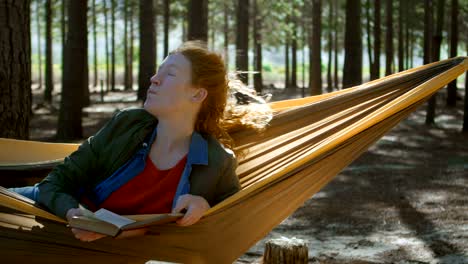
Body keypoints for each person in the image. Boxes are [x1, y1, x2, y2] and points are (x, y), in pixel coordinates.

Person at [10, 41, 271, 242]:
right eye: (158, 72)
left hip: (107, 250)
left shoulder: (217, 162)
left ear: (197, 94)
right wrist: (74, 213)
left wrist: (205, 205)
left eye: (169, 74)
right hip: (44, 213)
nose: (153, 79)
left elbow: (236, 222)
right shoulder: (126, 125)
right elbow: (53, 185)